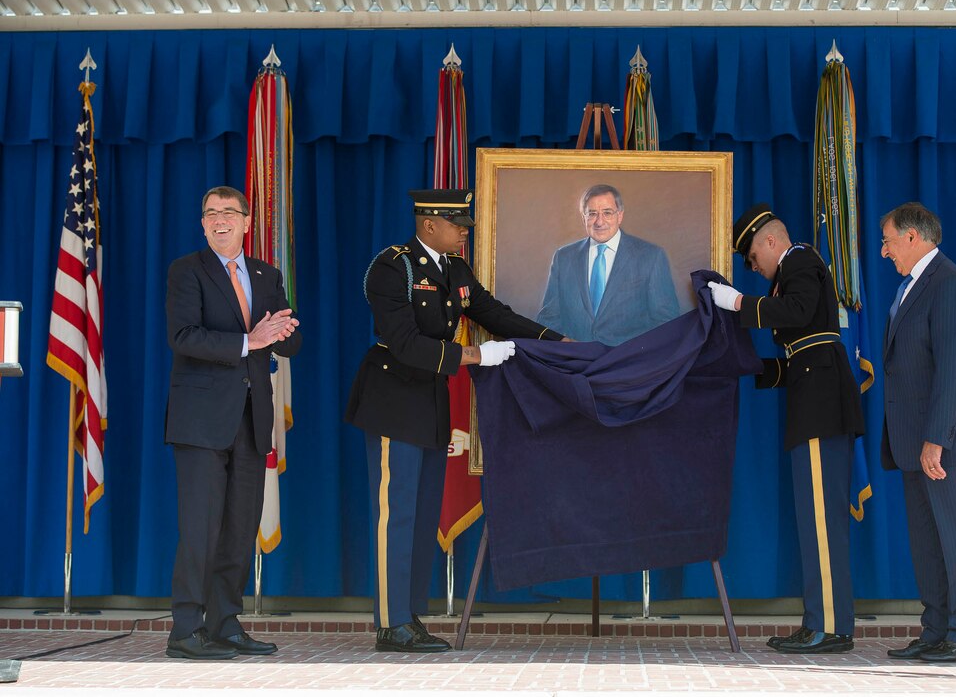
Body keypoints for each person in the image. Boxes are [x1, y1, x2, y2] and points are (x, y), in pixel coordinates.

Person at [344, 189, 566, 653]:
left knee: (423, 514)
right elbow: (403, 342)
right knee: (396, 513)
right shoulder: (393, 267)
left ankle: (410, 615)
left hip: (430, 402)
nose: (464, 232)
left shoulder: (454, 270)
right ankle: (390, 623)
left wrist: (553, 340)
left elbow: (493, 313)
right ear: (428, 225)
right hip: (394, 399)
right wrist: (473, 354)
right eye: (456, 224)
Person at [708, 203, 864, 654]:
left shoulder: (799, 259)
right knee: (814, 522)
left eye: (754, 258)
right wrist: (750, 370)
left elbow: (795, 313)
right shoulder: (796, 265)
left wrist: (738, 303)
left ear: (771, 242)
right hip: (814, 403)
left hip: (820, 409)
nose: (754, 269)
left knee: (822, 521)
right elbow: (800, 355)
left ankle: (830, 626)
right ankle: (820, 619)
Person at [164, 185, 301, 660]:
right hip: (201, 421)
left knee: (239, 529)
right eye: (210, 213)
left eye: (228, 212)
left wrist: (282, 335)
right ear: (202, 224)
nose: (219, 219)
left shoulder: (267, 274)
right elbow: (183, 337)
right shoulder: (187, 271)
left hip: (251, 419)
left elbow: (286, 342)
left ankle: (224, 623)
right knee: (200, 528)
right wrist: (250, 340)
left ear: (247, 221)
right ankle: (186, 630)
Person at [879, 202, 956, 663]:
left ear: (913, 237)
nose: (884, 251)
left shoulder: (950, 284)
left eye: (888, 240)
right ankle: (936, 631)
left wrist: (938, 439)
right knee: (927, 541)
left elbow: (954, 370)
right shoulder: (913, 286)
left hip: (948, 437)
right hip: (917, 436)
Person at [537, 183, 679, 345]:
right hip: (575, 361)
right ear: (583, 217)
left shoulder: (651, 256)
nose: (599, 221)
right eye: (592, 214)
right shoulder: (564, 257)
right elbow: (549, 318)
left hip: (628, 363)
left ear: (620, 215)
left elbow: (666, 323)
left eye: (607, 213)